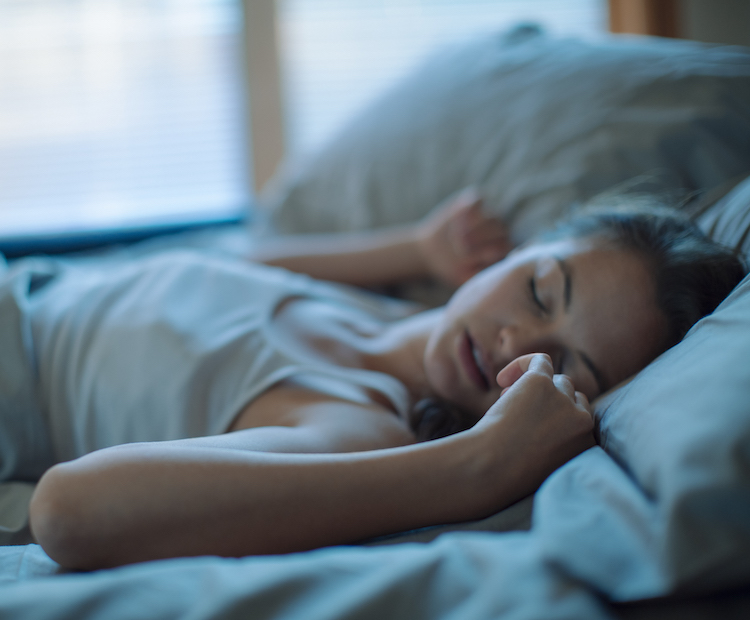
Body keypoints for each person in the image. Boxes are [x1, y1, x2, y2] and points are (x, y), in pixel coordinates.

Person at [16, 190, 744, 570]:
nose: (514, 341)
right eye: (537, 290)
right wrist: (414, 248)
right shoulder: (376, 308)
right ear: (519, 251)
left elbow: (68, 512)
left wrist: (480, 464)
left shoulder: (356, 425)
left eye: (562, 364)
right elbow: (232, 258)